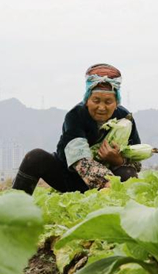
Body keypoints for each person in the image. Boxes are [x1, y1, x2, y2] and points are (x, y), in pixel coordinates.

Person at [12, 63, 141, 194]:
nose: (101, 107)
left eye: (108, 102)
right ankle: (15, 205)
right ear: (87, 100)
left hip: (109, 180)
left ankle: (115, 210)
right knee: (35, 157)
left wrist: (118, 160)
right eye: (96, 101)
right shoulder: (75, 115)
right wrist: (107, 183)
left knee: (128, 174)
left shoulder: (125, 119)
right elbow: (80, 159)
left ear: (116, 103)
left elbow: (137, 162)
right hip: (69, 177)